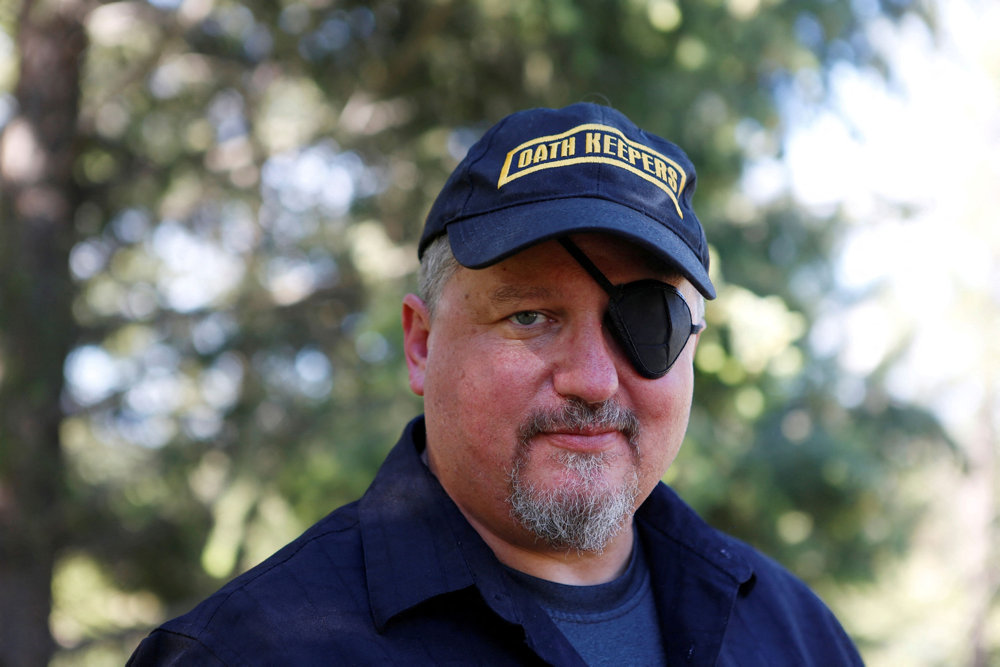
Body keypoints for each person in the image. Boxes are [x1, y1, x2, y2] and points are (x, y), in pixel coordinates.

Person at [129, 103, 862, 665]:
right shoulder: (251, 652)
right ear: (421, 345)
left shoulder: (796, 636)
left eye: (645, 323)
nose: (592, 378)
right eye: (531, 315)